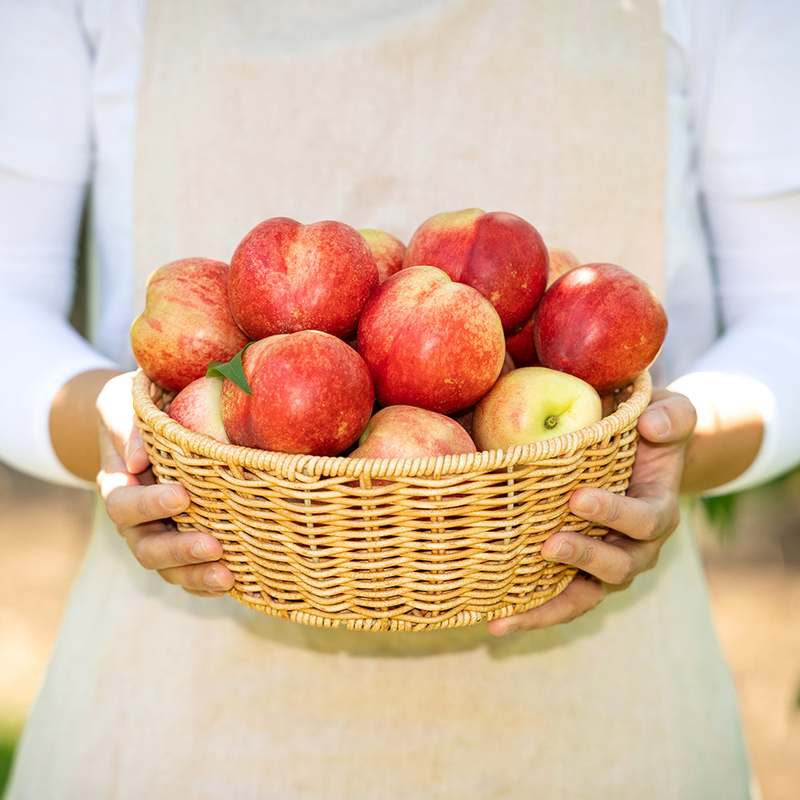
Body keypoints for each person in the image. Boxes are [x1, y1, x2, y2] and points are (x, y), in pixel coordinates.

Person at [1, 1, 798, 797]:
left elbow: (786, 313)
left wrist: (674, 439)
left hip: (599, 682)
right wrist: (119, 432)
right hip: (186, 691)